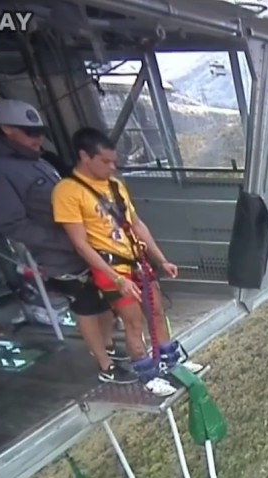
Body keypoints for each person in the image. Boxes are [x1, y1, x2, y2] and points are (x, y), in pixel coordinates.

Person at [0, 99, 137, 385]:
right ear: (7, 130)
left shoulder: (40, 161)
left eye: (39, 131)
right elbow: (12, 223)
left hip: (88, 247)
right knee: (87, 307)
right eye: (29, 132)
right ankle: (105, 365)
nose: (37, 138)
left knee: (106, 301)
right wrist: (65, 240)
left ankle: (110, 348)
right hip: (60, 256)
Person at [52, 127, 203, 397]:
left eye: (114, 161)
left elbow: (136, 223)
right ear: (84, 156)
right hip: (110, 269)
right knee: (132, 321)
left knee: (156, 312)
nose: (112, 167)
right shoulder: (68, 192)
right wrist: (116, 278)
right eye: (105, 162)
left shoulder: (115, 185)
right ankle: (147, 372)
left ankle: (171, 361)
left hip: (137, 262)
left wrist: (161, 258)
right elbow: (80, 243)